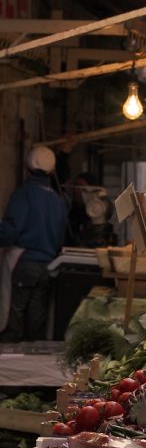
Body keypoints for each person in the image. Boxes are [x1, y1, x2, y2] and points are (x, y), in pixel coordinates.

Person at [0, 146, 67, 342]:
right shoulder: (58, 200)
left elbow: (9, 232)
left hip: (23, 263)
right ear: (52, 171)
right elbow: (59, 239)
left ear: (26, 168)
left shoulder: (23, 194)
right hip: (47, 267)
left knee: (11, 321)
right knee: (36, 326)